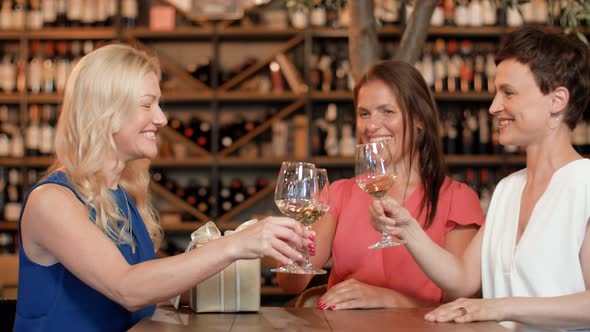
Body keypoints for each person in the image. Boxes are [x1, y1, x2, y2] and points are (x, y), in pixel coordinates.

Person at [14, 44, 311, 331]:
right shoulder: (52, 201)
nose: (161, 118)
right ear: (105, 111)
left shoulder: (120, 197)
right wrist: (236, 245)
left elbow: (154, 287)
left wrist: (249, 260)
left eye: (158, 104)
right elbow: (128, 288)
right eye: (146, 104)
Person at [370, 27, 590, 329]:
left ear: (557, 100)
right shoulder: (507, 190)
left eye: (508, 93)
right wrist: (407, 229)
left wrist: (497, 308)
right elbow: (462, 280)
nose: (493, 106)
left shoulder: (585, 185)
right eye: (495, 92)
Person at [278, 60, 485, 309]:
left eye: (387, 111)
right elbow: (291, 285)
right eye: (364, 113)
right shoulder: (338, 193)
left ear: (419, 119)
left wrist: (390, 300)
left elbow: (461, 304)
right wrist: (292, 250)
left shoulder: (457, 199)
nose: (371, 125)